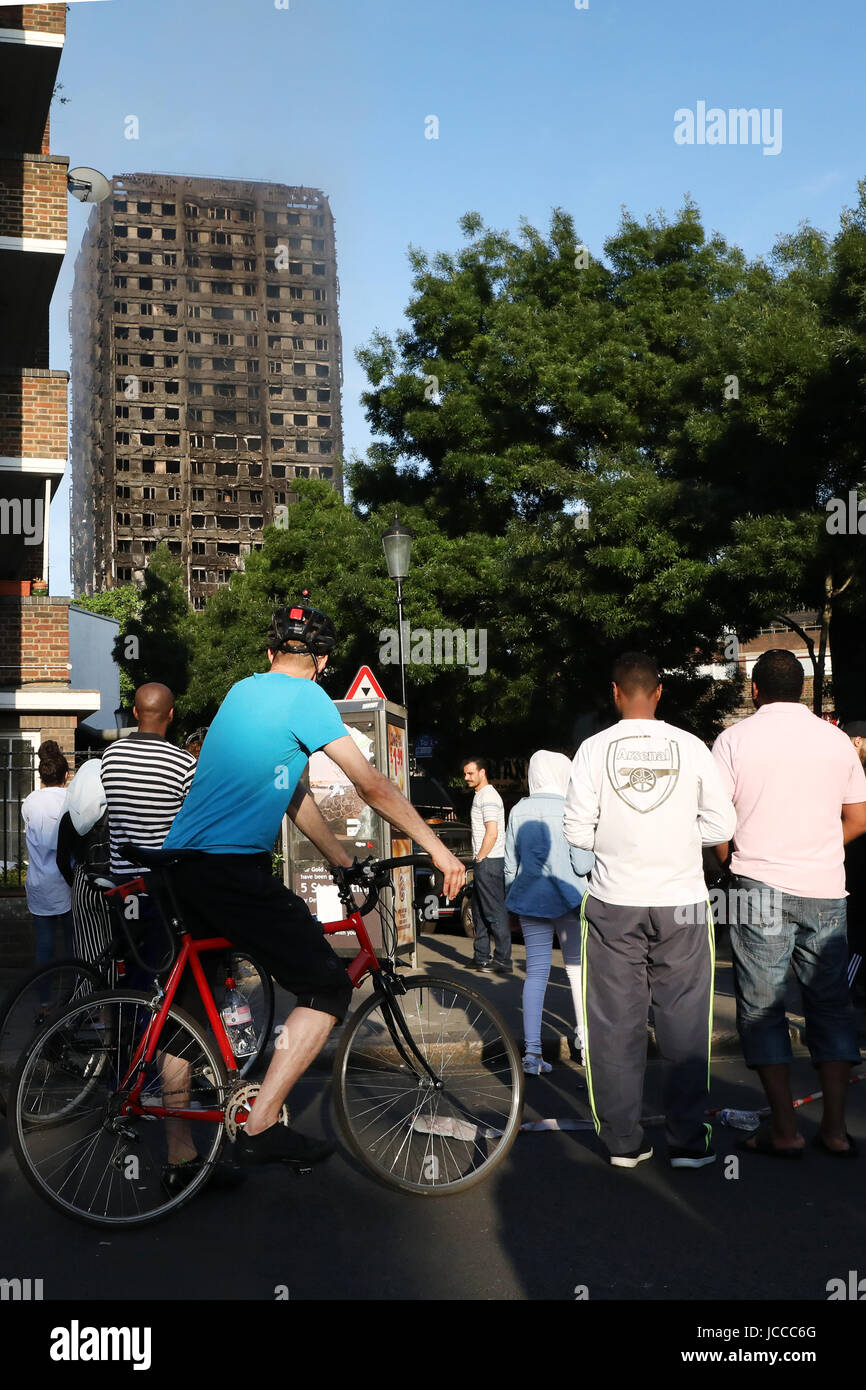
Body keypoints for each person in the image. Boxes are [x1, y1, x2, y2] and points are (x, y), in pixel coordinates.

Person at [162, 601, 465, 1169]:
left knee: (191, 1005)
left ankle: (180, 1156)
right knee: (327, 986)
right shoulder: (310, 699)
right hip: (231, 870)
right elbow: (373, 785)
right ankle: (259, 1127)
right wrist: (440, 849)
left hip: (183, 865)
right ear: (323, 660)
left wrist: (339, 860)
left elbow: (292, 793)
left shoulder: (240, 691)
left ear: (269, 652)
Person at [564, 652, 736, 1170]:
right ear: (658, 692)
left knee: (615, 1022)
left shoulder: (593, 749)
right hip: (682, 898)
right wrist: (682, 840)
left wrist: (614, 847)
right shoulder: (690, 746)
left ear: (615, 693)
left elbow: (576, 830)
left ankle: (623, 1142)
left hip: (615, 900)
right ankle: (688, 1141)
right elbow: (721, 824)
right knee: (685, 1019)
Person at [712, 652, 866, 1157]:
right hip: (826, 885)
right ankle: (837, 1131)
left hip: (757, 883)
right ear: (802, 688)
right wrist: (817, 852)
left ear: (754, 690)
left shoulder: (733, 740)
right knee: (830, 1006)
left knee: (762, 1007)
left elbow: (717, 824)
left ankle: (784, 1129)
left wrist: (732, 861)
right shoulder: (836, 741)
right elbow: (859, 819)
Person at [504, 750, 594, 1074]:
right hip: (570, 899)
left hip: (530, 901)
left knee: (537, 971)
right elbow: (583, 863)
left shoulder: (518, 810)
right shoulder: (571, 808)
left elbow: (510, 867)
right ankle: (585, 1045)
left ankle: (532, 1054)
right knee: (577, 970)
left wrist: (511, 902)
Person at [56, 757, 113, 972]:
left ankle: (88, 999)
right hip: (115, 882)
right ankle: (115, 996)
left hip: (83, 882)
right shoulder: (114, 812)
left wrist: (75, 883)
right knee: (114, 949)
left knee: (88, 953)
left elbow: (61, 860)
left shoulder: (70, 817)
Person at [21, 741, 73, 975]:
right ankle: (79, 998)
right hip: (68, 881)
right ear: (67, 774)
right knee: (75, 946)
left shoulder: (30, 801)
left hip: (39, 882)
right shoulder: (71, 799)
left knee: (44, 948)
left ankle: (45, 1004)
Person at [462, 757, 512, 974]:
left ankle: (503, 960)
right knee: (480, 909)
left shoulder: (489, 796)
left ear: (482, 772)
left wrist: (480, 857)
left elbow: (492, 832)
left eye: (471, 773)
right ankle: (481, 956)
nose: (466, 778)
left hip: (490, 861)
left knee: (493, 911)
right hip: (486, 861)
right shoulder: (480, 795)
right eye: (465, 774)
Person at [842, 720, 866, 1007]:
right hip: (855, 861)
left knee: (857, 934)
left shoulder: (855, 772)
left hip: (855, 862)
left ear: (857, 741)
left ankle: (842, 992)